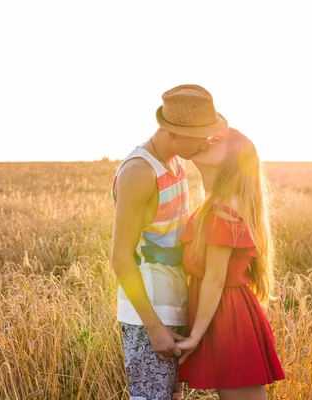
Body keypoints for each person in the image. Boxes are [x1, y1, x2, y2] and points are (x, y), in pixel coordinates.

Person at [110, 84, 228, 400]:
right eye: (200, 135)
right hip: (149, 316)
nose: (206, 142)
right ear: (172, 132)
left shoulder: (175, 161)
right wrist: (154, 328)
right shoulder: (139, 171)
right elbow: (120, 258)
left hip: (173, 309)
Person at [176, 127, 286, 399]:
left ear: (233, 159)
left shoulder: (224, 206)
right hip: (224, 313)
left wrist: (194, 337)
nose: (206, 141)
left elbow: (215, 278)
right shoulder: (217, 202)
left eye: (217, 140)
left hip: (227, 317)